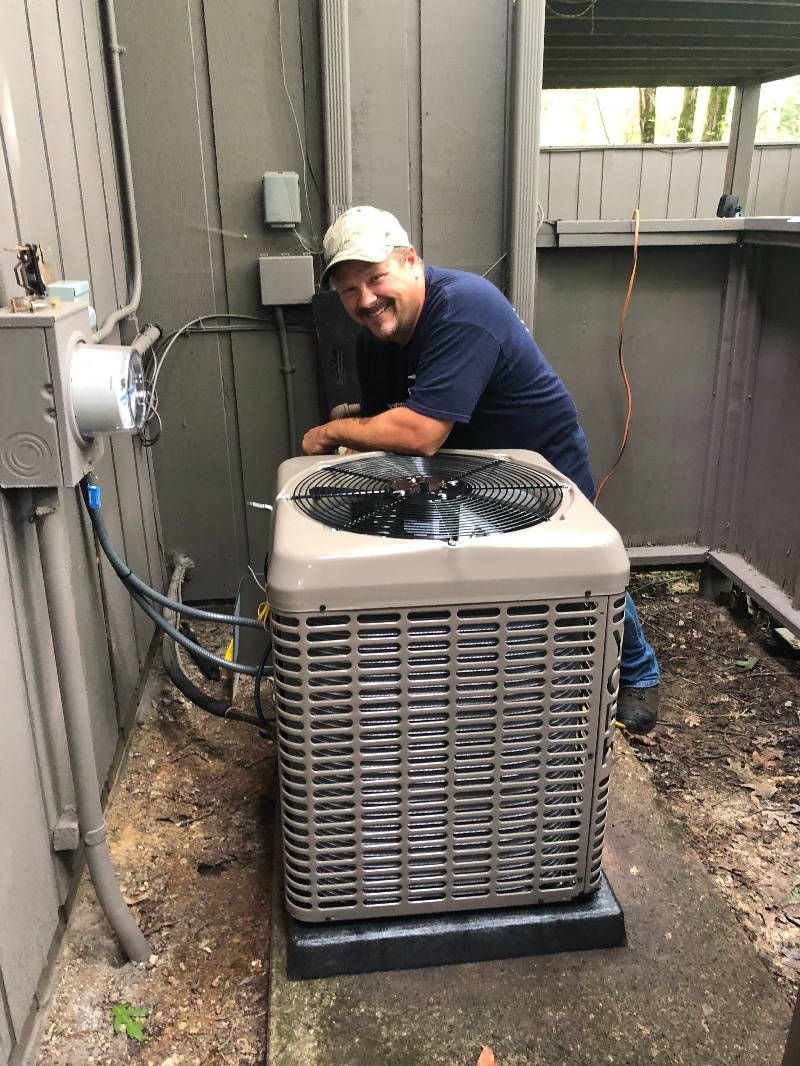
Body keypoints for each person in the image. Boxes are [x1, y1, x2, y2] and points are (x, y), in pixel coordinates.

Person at [302, 205, 660, 733]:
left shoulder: (465, 307)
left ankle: (638, 672)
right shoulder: (371, 340)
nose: (366, 300)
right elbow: (390, 422)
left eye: (375, 278)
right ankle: (491, 686)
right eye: (349, 291)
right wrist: (359, 420)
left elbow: (419, 431)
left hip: (538, 459)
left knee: (577, 573)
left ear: (411, 260)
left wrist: (331, 432)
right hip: (460, 467)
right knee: (477, 578)